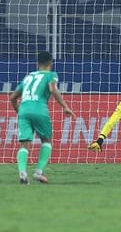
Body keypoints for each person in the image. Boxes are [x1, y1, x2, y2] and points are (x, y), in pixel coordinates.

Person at [9, 51, 76, 184]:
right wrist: (65, 106)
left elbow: (12, 97)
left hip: (24, 110)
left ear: (37, 63)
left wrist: (20, 111)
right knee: (46, 140)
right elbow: (52, 89)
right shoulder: (51, 75)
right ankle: (38, 172)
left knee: (24, 144)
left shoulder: (28, 77)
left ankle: (22, 173)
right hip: (40, 110)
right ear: (51, 63)